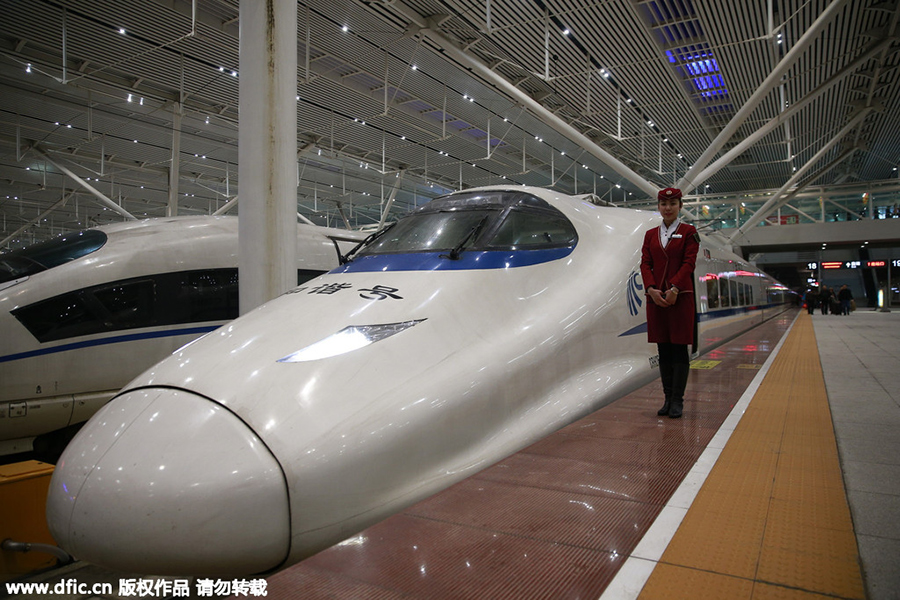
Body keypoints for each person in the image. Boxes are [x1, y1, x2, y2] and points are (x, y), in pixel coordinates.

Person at [641, 187, 699, 419]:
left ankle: (677, 400)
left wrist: (674, 288)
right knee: (663, 349)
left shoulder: (689, 232)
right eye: (664, 204)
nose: (667, 208)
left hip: (680, 297)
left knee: (679, 351)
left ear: (680, 206)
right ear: (658, 206)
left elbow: (689, 263)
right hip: (656, 299)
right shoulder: (650, 235)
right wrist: (651, 289)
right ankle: (666, 399)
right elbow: (645, 264)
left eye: (672, 204)